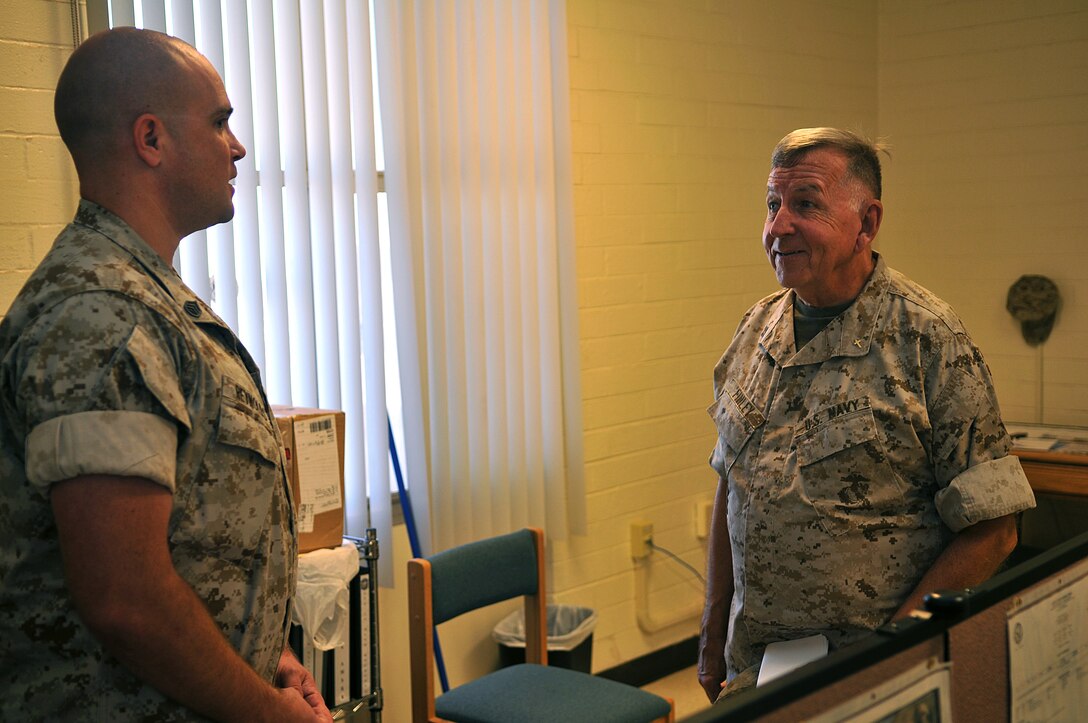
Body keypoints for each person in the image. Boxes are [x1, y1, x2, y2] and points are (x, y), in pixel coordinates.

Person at [0, 28, 332, 721]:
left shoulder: (145, 296)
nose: (236, 147)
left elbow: (190, 539)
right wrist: (270, 714)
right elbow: (127, 598)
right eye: (219, 122)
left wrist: (263, 650)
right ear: (151, 140)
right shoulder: (103, 312)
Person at [697, 128, 1036, 702]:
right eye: (773, 205)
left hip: (873, 677)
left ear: (867, 223)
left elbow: (993, 530)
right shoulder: (755, 330)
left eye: (805, 204)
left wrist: (895, 655)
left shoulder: (927, 338)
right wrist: (710, 631)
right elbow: (732, 483)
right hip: (759, 669)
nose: (778, 226)